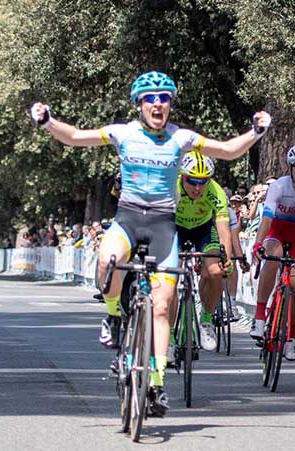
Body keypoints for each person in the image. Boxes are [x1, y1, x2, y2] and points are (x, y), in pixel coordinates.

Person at [30, 71, 270, 417]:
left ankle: (156, 382)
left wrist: (257, 131)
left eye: (164, 98)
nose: (158, 104)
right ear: (139, 104)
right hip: (128, 219)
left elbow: (229, 151)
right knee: (106, 261)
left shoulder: (181, 138)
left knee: (163, 303)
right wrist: (48, 121)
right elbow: (76, 137)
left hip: (162, 225)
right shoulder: (122, 133)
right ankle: (113, 317)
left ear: (171, 104)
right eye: (150, 98)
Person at [248, 144, 295, 363]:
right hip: (278, 230)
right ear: (291, 166)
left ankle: (291, 337)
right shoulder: (279, 186)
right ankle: (260, 316)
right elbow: (267, 219)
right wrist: (258, 243)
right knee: (272, 258)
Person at [173, 151, 232, 351]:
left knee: (215, 271)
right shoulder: (172, 187)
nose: (198, 187)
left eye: (203, 181)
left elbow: (223, 225)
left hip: (204, 231)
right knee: (169, 277)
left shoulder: (214, 191)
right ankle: (170, 336)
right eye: (192, 181)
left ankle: (206, 320)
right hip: (175, 230)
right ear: (182, 176)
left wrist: (228, 257)